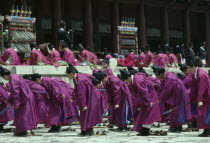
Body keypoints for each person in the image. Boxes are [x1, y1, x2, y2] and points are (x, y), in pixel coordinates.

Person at [119, 69, 161, 136]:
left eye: (126, 80)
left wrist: (148, 101)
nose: (126, 82)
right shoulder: (135, 79)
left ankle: (145, 132)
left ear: (129, 78)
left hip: (149, 98)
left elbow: (144, 92)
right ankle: (142, 130)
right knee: (143, 115)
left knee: (147, 116)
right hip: (146, 97)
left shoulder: (138, 81)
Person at [152, 65, 191, 132]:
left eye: (157, 75)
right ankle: (174, 126)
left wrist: (160, 99)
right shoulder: (165, 77)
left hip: (178, 94)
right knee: (173, 111)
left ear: (161, 74)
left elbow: (167, 90)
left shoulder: (170, 78)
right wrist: (158, 97)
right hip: (174, 95)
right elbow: (162, 88)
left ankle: (177, 127)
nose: (156, 77)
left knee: (177, 111)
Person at [66, 63, 102, 136]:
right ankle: (85, 130)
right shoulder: (77, 78)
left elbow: (81, 93)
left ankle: (89, 130)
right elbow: (76, 90)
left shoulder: (80, 80)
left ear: (72, 73)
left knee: (89, 114)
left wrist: (84, 104)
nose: (67, 76)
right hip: (89, 97)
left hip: (91, 97)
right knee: (85, 115)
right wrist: (73, 96)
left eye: (67, 74)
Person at [0, 66, 37, 136]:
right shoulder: (15, 76)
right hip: (26, 96)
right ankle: (23, 130)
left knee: (22, 115)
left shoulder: (13, 80)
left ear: (5, 76)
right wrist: (11, 101)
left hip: (23, 98)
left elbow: (16, 92)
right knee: (24, 115)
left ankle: (21, 131)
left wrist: (16, 103)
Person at [186, 63, 210, 137]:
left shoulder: (201, 75)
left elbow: (201, 88)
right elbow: (194, 87)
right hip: (203, 97)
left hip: (206, 97)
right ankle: (207, 130)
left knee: (204, 114)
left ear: (193, 67)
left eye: (188, 68)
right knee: (203, 114)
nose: (188, 70)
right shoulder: (195, 74)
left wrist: (200, 100)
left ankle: (207, 131)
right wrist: (192, 98)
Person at [179, 64, 197, 130]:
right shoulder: (188, 76)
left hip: (191, 95)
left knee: (192, 111)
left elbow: (183, 83)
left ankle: (194, 125)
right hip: (190, 94)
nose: (185, 72)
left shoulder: (190, 76)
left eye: (185, 70)